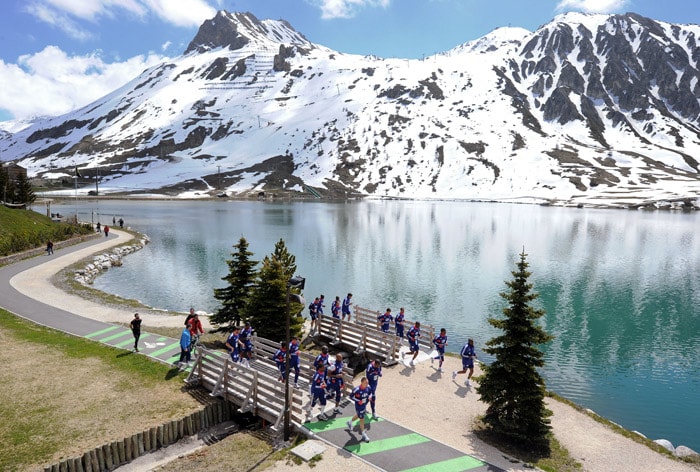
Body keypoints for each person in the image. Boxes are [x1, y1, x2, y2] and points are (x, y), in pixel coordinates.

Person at [347, 377, 373, 442]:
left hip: (364, 405)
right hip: (359, 406)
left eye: (367, 383)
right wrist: (358, 401)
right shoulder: (356, 389)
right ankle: (363, 435)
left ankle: (349, 422)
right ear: (361, 382)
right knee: (362, 419)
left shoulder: (368, 387)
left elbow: (370, 393)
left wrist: (370, 397)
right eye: (366, 383)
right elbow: (351, 396)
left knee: (359, 416)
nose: (367, 384)